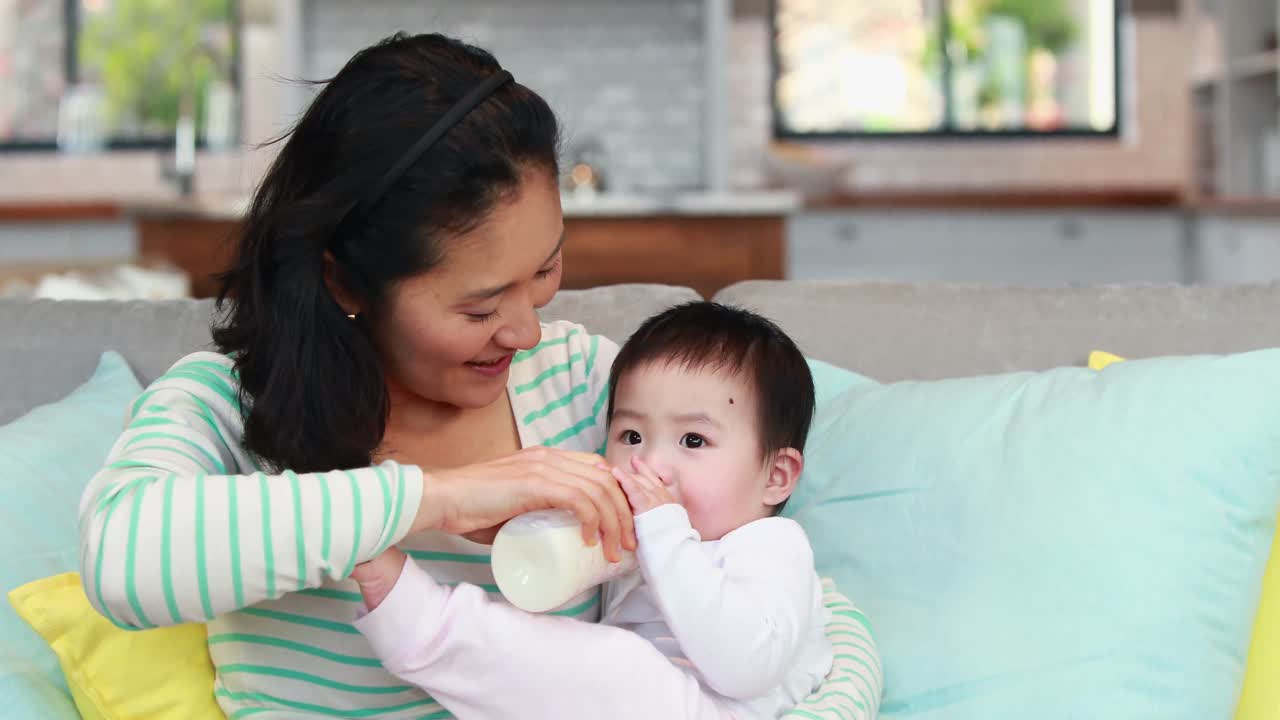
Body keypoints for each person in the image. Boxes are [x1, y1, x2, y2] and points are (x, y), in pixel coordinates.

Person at [77, 31, 876, 719]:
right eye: (480, 305)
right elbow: (123, 563)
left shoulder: (593, 393)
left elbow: (809, 618)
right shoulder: (230, 406)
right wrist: (443, 498)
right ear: (346, 282)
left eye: (547, 269)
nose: (528, 330)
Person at [349, 302, 882, 719]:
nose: (651, 463)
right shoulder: (641, 544)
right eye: (630, 435)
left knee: (614, 662)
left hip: (723, 710)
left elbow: (745, 668)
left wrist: (666, 534)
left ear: (776, 476)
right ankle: (423, 624)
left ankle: (424, 624)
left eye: (693, 440)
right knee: (560, 654)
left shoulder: (771, 547)